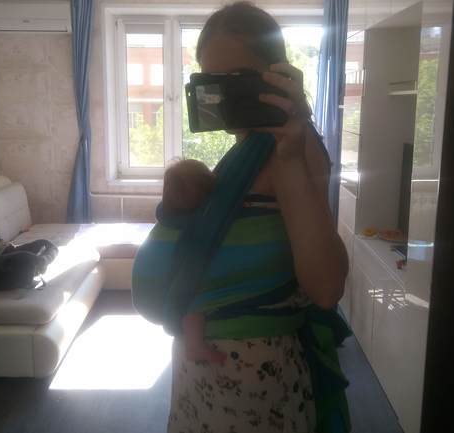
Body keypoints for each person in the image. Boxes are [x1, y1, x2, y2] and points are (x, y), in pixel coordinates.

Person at [137, 2, 351, 432]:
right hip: (216, 371)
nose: (224, 93)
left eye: (238, 79)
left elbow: (326, 288)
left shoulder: (290, 148)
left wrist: (291, 157)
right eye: (211, 79)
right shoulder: (250, 146)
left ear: (274, 73)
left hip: (250, 379)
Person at [162, 159, 228, 366]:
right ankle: (195, 346)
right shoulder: (202, 219)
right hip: (188, 270)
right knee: (195, 303)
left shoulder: (168, 215)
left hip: (173, 271)